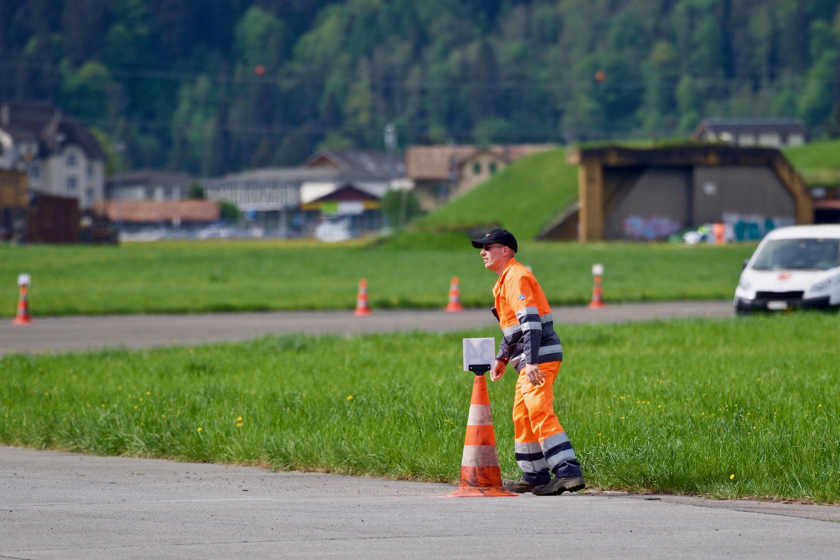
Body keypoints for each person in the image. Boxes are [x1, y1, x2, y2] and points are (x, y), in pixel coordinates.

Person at [472, 228, 585, 496]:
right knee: (522, 416)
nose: (482, 252)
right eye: (482, 248)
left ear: (505, 251)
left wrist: (532, 362)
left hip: (539, 356)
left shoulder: (517, 276)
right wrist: (502, 357)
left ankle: (568, 471)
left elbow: (531, 324)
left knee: (538, 411)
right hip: (527, 358)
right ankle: (534, 474)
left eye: (489, 247)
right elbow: (513, 328)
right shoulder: (505, 280)